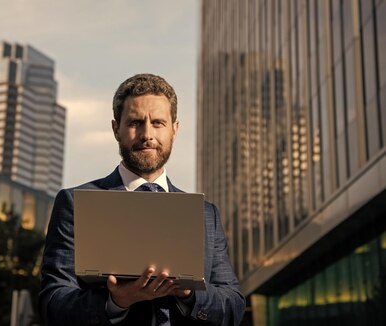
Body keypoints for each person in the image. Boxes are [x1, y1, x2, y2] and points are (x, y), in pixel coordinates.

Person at [39, 74, 245, 325]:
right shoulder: (75, 204)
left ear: (174, 129)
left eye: (158, 123)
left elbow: (233, 307)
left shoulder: (205, 215)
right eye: (136, 122)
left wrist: (189, 293)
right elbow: (53, 303)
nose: (147, 134)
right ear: (116, 129)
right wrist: (116, 302)